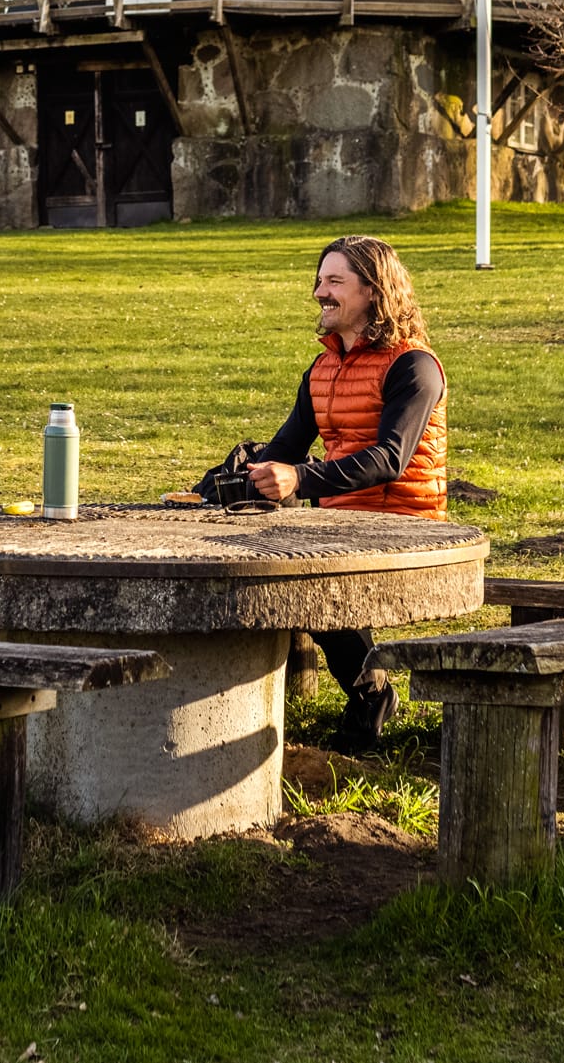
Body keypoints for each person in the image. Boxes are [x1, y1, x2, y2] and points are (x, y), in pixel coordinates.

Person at [242, 234, 449, 750]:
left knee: (304, 576)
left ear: (374, 291)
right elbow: (286, 448)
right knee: (259, 551)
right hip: (339, 525)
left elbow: (390, 459)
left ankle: (370, 695)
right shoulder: (323, 368)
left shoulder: (414, 366)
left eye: (335, 281)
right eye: (319, 280)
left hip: (405, 528)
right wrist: (242, 474)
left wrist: (300, 479)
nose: (320, 292)